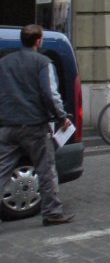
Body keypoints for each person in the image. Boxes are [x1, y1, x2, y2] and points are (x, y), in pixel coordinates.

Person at [0, 24, 75, 225]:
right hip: (34, 125)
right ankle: (52, 213)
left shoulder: (4, 62)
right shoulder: (43, 62)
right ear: (38, 41)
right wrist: (61, 117)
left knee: (2, 170)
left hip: (7, 125)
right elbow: (50, 94)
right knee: (46, 170)